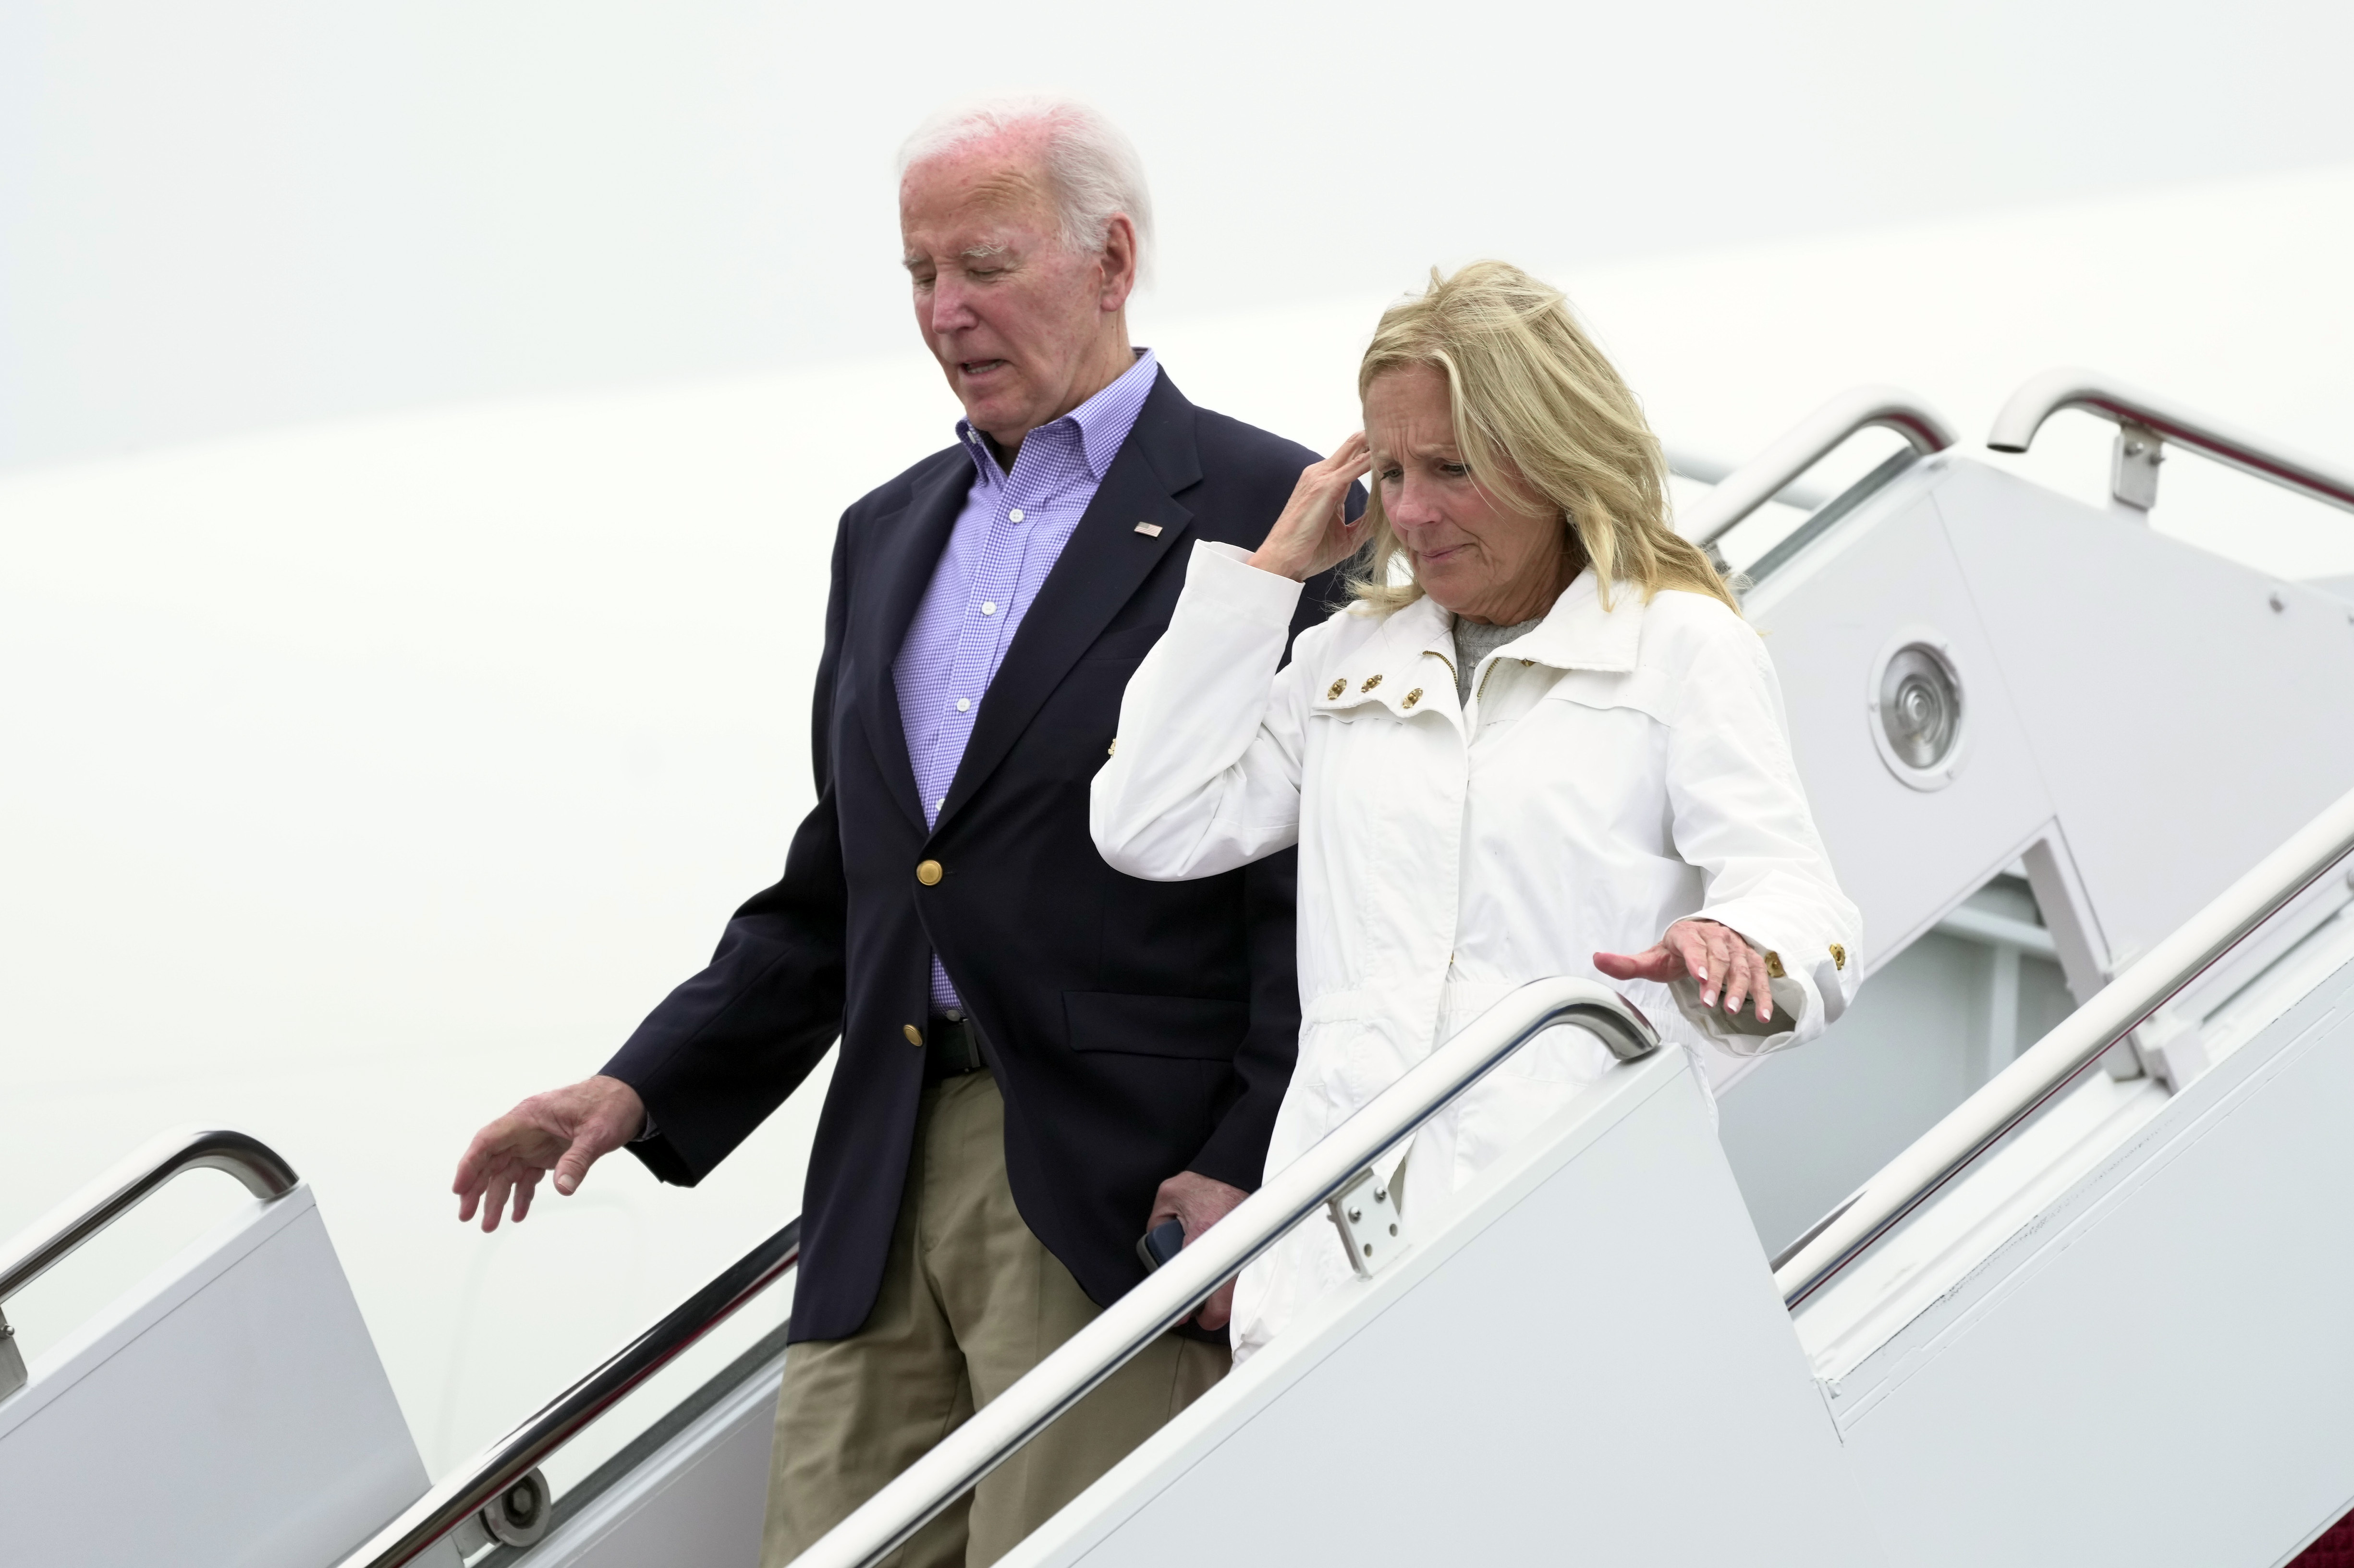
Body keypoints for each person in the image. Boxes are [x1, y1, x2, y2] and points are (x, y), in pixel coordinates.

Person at [451, 96, 1351, 1568]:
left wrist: (1250, 1155)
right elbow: (850, 885)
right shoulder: (884, 531)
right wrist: (638, 1086)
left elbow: (1307, 881)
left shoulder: (1267, 507)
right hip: (877, 1174)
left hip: (1115, 1184)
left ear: (1111, 259)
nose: (945, 312)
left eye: (982, 266)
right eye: (918, 275)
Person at [1090, 260, 1863, 1361]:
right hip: (1329, 1277)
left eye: (1452, 467)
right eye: (1391, 468)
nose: (1410, 511)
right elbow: (1146, 820)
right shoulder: (1345, 658)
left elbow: (1799, 891)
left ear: (1550, 454)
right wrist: (1264, 576)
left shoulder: (1682, 646)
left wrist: (1741, 944)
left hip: (1566, 1252)